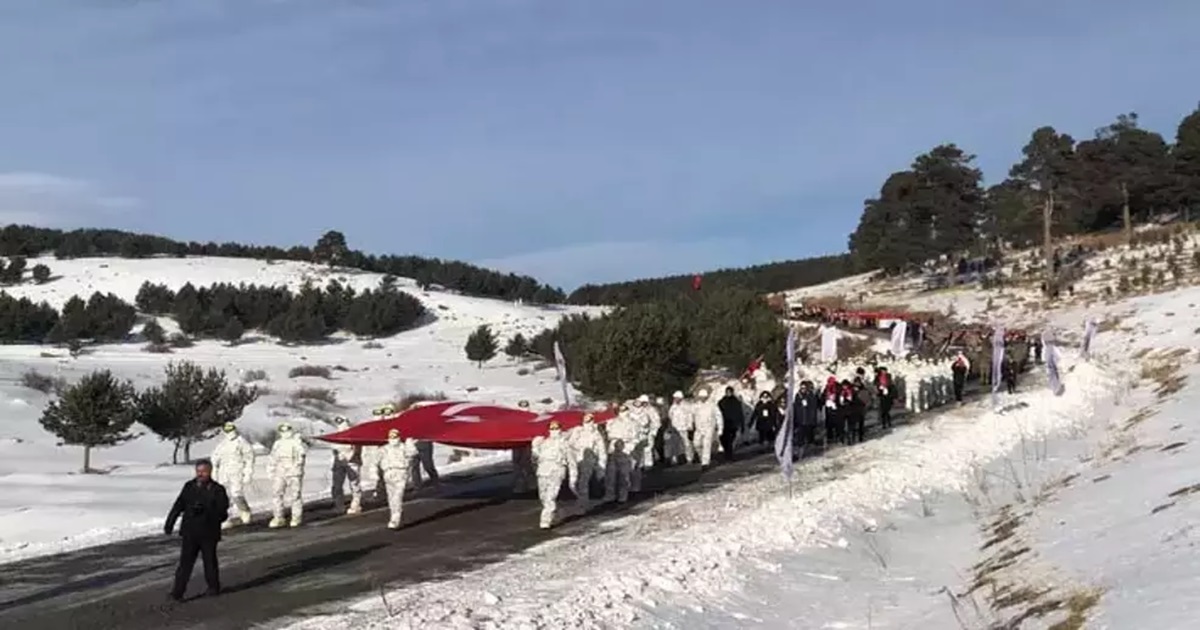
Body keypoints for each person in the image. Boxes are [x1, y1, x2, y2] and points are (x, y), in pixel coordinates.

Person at [165, 459, 230, 601]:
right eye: (198, 471)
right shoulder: (189, 486)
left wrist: (206, 511)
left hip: (208, 533)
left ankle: (213, 587)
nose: (200, 474)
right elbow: (178, 505)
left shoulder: (217, 489)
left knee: (209, 561)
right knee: (185, 564)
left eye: (204, 471)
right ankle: (177, 592)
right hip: (190, 532)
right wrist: (170, 522)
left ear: (210, 472)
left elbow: (223, 513)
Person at [209, 422, 255, 529]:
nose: (230, 432)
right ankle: (226, 518)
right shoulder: (222, 444)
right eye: (227, 430)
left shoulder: (242, 442)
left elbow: (249, 458)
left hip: (237, 471)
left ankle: (244, 510)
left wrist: (248, 473)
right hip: (224, 472)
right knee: (223, 496)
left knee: (236, 493)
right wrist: (214, 472)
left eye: (231, 429)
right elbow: (215, 458)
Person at [531, 420, 575, 528]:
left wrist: (573, 475)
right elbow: (535, 459)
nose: (554, 430)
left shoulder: (564, 443)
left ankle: (545, 520)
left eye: (556, 428)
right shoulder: (544, 442)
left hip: (557, 470)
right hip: (543, 471)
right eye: (552, 428)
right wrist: (534, 448)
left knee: (551, 496)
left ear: (560, 429)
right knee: (543, 496)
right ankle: (554, 512)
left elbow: (571, 460)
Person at [268, 422, 308, 528]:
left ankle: (296, 516)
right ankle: (278, 517)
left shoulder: (296, 442)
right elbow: (273, 457)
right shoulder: (277, 443)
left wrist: (297, 468)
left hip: (293, 472)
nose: (285, 433)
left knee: (295, 495)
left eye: (287, 430)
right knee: (276, 494)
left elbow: (301, 457)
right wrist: (271, 470)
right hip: (280, 472)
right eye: (283, 431)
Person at [380, 428, 419, 529]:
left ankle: (395, 519)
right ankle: (393, 514)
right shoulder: (384, 448)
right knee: (391, 498)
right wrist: (375, 473)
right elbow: (376, 461)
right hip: (388, 474)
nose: (393, 439)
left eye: (395, 436)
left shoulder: (404, 447)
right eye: (391, 437)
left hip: (401, 473)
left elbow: (413, 453)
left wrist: (409, 441)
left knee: (397, 497)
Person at [568, 413, 607, 512]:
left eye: (589, 419)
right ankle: (580, 499)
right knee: (573, 482)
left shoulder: (595, 433)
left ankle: (583, 504)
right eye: (585, 418)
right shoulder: (577, 430)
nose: (587, 420)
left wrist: (601, 466)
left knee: (583, 482)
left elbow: (601, 450)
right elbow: (569, 443)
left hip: (588, 460)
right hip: (575, 459)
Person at [329, 416, 363, 515]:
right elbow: (334, 450)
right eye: (338, 422)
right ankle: (339, 505)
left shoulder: (353, 434)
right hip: (338, 463)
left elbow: (357, 449)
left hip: (352, 463)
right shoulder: (336, 435)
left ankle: (356, 505)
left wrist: (348, 457)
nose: (341, 424)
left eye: (342, 422)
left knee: (354, 485)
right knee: (337, 485)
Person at [692, 389, 721, 468]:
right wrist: (690, 425)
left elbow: (719, 416)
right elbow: (691, 416)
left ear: (707, 397)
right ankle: (702, 458)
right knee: (696, 444)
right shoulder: (696, 406)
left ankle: (705, 463)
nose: (702, 398)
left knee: (706, 444)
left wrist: (720, 427)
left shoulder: (712, 405)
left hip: (709, 427)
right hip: (699, 428)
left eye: (704, 397)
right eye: (701, 397)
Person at [717, 387, 745, 461]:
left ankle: (729, 455)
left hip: (733, 424)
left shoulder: (736, 402)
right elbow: (717, 413)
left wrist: (742, 425)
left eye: (730, 392)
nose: (729, 393)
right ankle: (727, 453)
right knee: (723, 440)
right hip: (724, 424)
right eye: (727, 392)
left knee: (730, 440)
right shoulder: (721, 402)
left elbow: (740, 414)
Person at [668, 391, 695, 464]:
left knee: (687, 443)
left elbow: (690, 416)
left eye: (677, 398)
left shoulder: (686, 406)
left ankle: (689, 458)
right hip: (675, 428)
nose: (675, 399)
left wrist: (689, 425)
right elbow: (670, 416)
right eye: (674, 398)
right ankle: (674, 459)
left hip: (684, 427)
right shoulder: (673, 407)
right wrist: (672, 425)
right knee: (674, 444)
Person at [793, 380, 821, 450]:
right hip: (801, 417)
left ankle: (810, 443)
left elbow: (814, 406)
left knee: (809, 431)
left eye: (804, 388)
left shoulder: (811, 395)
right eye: (801, 388)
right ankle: (800, 444)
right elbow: (796, 406)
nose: (803, 390)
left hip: (809, 418)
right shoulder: (798, 395)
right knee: (801, 431)